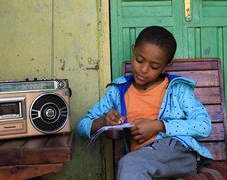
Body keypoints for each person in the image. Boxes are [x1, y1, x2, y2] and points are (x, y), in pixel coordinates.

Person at [77, 26, 213, 179]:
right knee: (133, 165)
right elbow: (82, 127)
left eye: (154, 66)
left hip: (179, 152)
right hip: (143, 158)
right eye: (139, 60)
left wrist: (159, 125)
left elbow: (204, 125)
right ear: (133, 50)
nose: (143, 69)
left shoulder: (177, 90)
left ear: (166, 66)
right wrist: (103, 121)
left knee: (130, 165)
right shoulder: (117, 91)